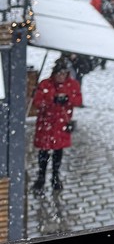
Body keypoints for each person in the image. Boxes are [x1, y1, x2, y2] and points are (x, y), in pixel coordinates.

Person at [30, 58, 82, 194]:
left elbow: (78, 100)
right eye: (59, 73)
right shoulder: (45, 84)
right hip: (46, 123)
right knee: (44, 151)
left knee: (58, 151)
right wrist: (52, 99)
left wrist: (68, 99)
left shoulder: (72, 85)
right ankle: (41, 177)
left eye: (63, 73)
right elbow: (37, 102)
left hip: (61, 124)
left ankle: (55, 176)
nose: (61, 76)